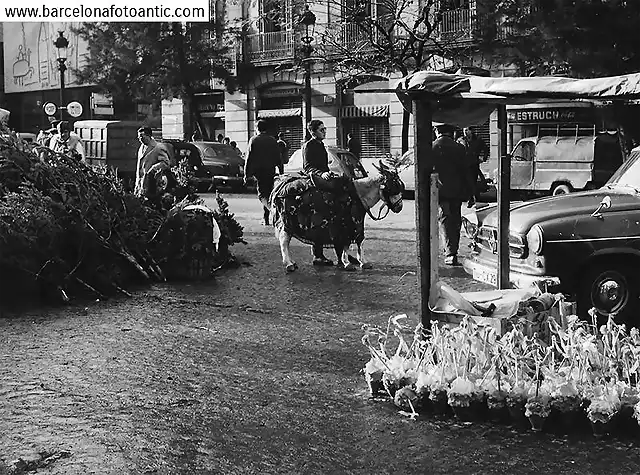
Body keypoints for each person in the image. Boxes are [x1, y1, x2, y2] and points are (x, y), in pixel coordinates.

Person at [433, 123, 475, 266]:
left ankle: (450, 253)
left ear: (437, 130)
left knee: (444, 219)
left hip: (440, 191)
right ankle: (453, 251)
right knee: (455, 220)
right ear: (451, 132)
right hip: (457, 192)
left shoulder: (432, 147)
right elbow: (467, 172)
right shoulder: (460, 148)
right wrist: (470, 193)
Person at [302, 119, 340, 266]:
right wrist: (321, 174)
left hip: (324, 181)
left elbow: (324, 166)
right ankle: (317, 255)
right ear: (312, 132)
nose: (324, 132)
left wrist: (329, 173)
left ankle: (343, 251)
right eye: (321, 130)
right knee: (320, 214)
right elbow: (307, 167)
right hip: (314, 182)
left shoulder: (322, 145)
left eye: (325, 129)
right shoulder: (308, 146)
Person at [244, 120, 282, 226]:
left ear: (257, 128)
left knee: (262, 196)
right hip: (271, 171)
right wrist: (281, 171)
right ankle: (266, 218)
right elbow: (279, 158)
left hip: (259, 172)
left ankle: (272, 210)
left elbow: (248, 159)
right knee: (269, 194)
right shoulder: (273, 140)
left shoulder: (254, 140)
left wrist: (246, 175)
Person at [134, 126, 170, 197]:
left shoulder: (158, 147)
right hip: (140, 185)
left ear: (148, 136)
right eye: (138, 137)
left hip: (152, 184)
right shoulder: (141, 148)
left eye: (141, 137)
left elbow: (165, 163)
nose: (140, 139)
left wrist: (154, 168)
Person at [457, 127, 489, 200]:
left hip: (474, 163)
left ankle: (474, 196)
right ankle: (469, 196)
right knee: (465, 181)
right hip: (463, 164)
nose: (465, 132)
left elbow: (486, 149)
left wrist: (483, 158)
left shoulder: (478, 140)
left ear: (471, 131)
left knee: (473, 181)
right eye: (464, 130)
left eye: (467, 130)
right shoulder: (460, 140)